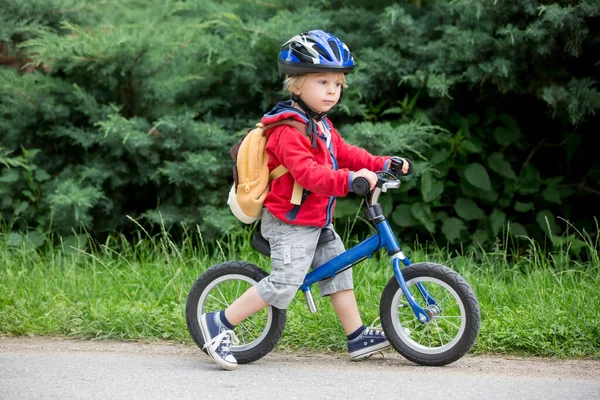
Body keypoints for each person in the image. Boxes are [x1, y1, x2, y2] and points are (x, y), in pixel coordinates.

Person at [200, 30, 413, 370]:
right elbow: (308, 175)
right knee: (285, 283)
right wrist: (349, 180)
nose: (332, 91)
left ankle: (357, 335)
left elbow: (347, 153)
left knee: (339, 271)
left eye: (338, 84)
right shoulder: (288, 130)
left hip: (316, 219)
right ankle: (219, 322)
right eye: (323, 82)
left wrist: (381, 163)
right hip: (289, 223)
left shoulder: (322, 126)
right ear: (297, 85)